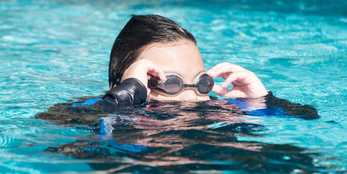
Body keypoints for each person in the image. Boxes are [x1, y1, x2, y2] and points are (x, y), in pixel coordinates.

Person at [102, 14, 268, 109]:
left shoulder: (218, 112)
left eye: (203, 83)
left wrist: (260, 102)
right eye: (168, 83)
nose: (192, 97)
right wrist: (127, 95)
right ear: (120, 86)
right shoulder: (98, 111)